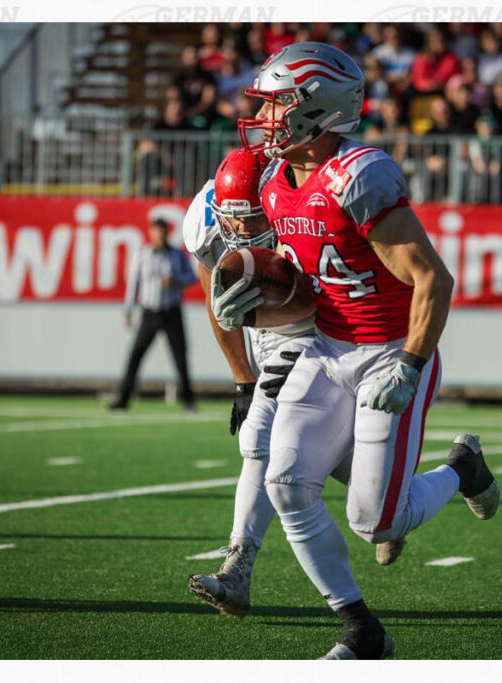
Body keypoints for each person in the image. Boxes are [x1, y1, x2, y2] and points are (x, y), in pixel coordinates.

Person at [224, 42, 501, 659]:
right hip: (325, 347)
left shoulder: (358, 174)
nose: (264, 117)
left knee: (377, 521)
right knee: (287, 483)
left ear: (316, 110)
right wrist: (254, 306)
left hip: (388, 350)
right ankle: (361, 629)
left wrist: (410, 363)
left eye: (276, 104)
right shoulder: (271, 181)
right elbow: (307, 287)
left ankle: (461, 469)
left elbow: (433, 279)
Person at [183, 149, 379, 618]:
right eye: (236, 220)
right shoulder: (208, 218)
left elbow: (328, 298)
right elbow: (218, 296)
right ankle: (456, 473)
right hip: (266, 335)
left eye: (253, 218)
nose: (243, 232)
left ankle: (238, 566)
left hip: (324, 328)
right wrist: (241, 379)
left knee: (261, 439)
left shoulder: (305, 208)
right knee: (361, 485)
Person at [111, 219, 197, 411]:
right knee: (135, 355)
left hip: (172, 311)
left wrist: (176, 281)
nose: (160, 236)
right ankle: (123, 398)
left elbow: (192, 277)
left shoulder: (177, 255)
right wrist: (128, 309)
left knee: (180, 357)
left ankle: (188, 400)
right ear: (151, 234)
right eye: (156, 232)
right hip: (149, 312)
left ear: (167, 233)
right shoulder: (142, 255)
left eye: (163, 232)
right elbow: (134, 283)